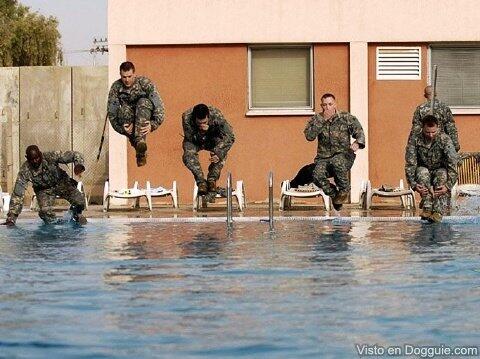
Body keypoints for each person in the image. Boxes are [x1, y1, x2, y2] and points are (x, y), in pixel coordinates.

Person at [304, 93, 365, 211]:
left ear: (335, 104)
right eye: (324, 105)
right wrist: (322, 121)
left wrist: (357, 143)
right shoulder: (317, 119)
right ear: (321, 106)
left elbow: (359, 132)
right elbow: (309, 136)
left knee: (337, 161)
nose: (327, 107)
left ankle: (344, 189)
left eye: (330, 104)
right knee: (316, 175)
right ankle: (335, 196)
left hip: (344, 155)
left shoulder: (346, 117)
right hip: (323, 158)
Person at [1, 145, 87, 226]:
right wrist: (11, 218)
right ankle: (54, 227)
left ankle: (75, 215)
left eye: (37, 158)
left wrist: (78, 165)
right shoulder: (25, 170)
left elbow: (75, 155)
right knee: (45, 212)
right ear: (27, 158)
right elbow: (18, 193)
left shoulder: (50, 156)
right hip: (43, 191)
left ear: (40, 154)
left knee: (80, 202)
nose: (35, 161)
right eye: (32, 159)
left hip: (62, 183)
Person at [107, 61, 165, 166]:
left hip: (144, 115)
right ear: (120, 75)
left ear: (134, 74)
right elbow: (112, 113)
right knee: (124, 109)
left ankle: (140, 147)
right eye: (124, 77)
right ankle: (140, 148)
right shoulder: (116, 87)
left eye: (129, 76)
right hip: (128, 119)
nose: (127, 80)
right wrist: (121, 129)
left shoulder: (145, 83)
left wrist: (153, 125)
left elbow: (159, 107)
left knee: (143, 101)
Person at [405, 115, 458, 223]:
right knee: (422, 172)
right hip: (424, 169)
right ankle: (427, 207)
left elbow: (452, 163)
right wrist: (414, 184)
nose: (430, 135)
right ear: (422, 128)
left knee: (442, 173)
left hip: (440, 169)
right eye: (427, 132)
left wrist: (448, 186)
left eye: (433, 132)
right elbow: (410, 163)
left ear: (438, 128)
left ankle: (438, 211)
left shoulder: (445, 139)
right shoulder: (415, 139)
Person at [182, 104, 235, 195]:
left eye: (205, 122)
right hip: (195, 140)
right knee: (188, 154)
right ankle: (201, 182)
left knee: (221, 151)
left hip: (213, 138)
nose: (202, 125)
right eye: (199, 123)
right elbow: (190, 137)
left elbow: (230, 136)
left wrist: (218, 153)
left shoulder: (216, 115)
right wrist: (201, 131)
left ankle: (212, 180)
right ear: (194, 119)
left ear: (208, 117)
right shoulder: (187, 117)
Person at [410, 86, 460, 152]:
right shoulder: (444, 108)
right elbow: (450, 128)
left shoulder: (420, 109)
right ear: (436, 94)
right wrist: (455, 145)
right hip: (442, 145)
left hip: (425, 146)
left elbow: (415, 131)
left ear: (425, 95)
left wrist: (413, 149)